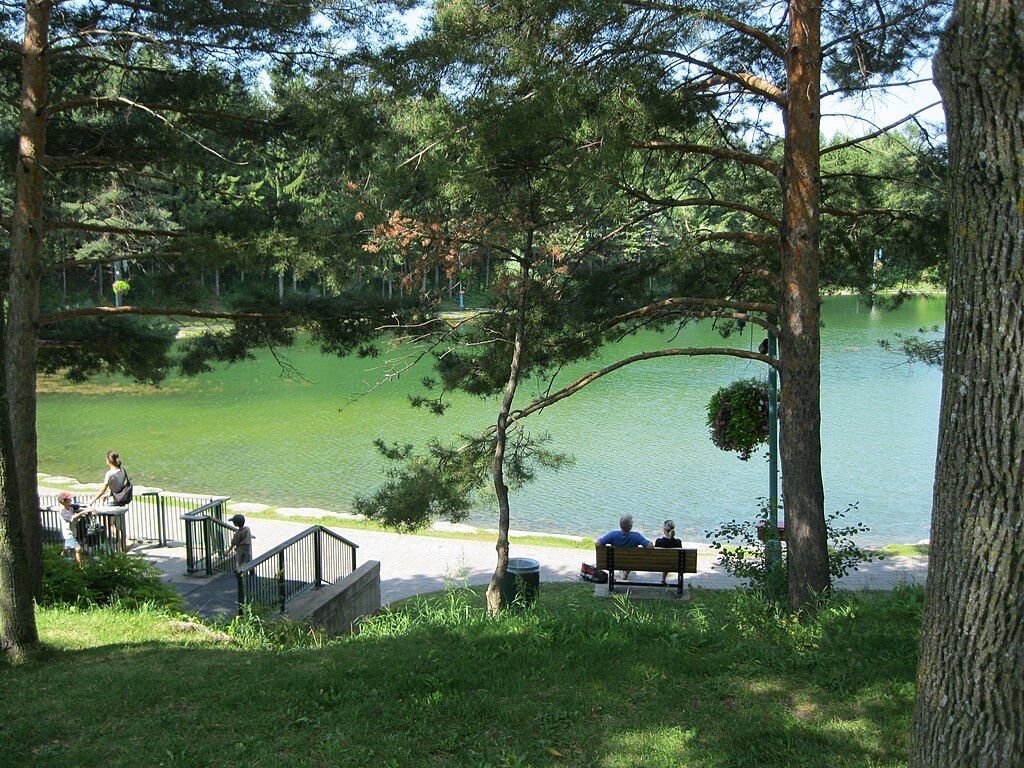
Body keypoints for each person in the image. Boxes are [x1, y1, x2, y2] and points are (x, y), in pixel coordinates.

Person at [86, 451, 130, 551]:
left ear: (108, 461)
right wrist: (108, 494)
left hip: (112, 502)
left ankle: (124, 541)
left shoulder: (110, 473)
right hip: (120, 501)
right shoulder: (122, 471)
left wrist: (92, 500)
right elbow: (118, 486)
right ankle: (123, 546)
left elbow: (103, 489)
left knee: (109, 524)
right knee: (119, 525)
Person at [596, 514, 652, 581]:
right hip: (631, 563)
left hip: (614, 562)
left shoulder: (613, 535)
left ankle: (622, 572)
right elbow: (650, 546)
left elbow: (598, 543)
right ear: (631, 526)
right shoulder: (636, 536)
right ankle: (626, 573)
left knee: (618, 557)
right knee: (632, 558)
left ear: (620, 525)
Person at [57, 491, 88, 564]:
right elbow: (70, 518)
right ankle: (81, 566)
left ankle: (59, 561)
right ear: (63, 501)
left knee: (66, 548)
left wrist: (84, 508)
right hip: (69, 533)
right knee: (78, 549)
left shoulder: (70, 507)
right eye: (69, 499)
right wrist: (81, 513)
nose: (71, 500)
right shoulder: (62, 511)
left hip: (73, 531)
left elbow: (77, 506)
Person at [655, 519, 683, 585]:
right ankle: (663, 580)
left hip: (658, 564)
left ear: (664, 529)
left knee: (665, 560)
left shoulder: (659, 541)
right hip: (674, 565)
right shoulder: (678, 542)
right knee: (668, 560)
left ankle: (663, 580)